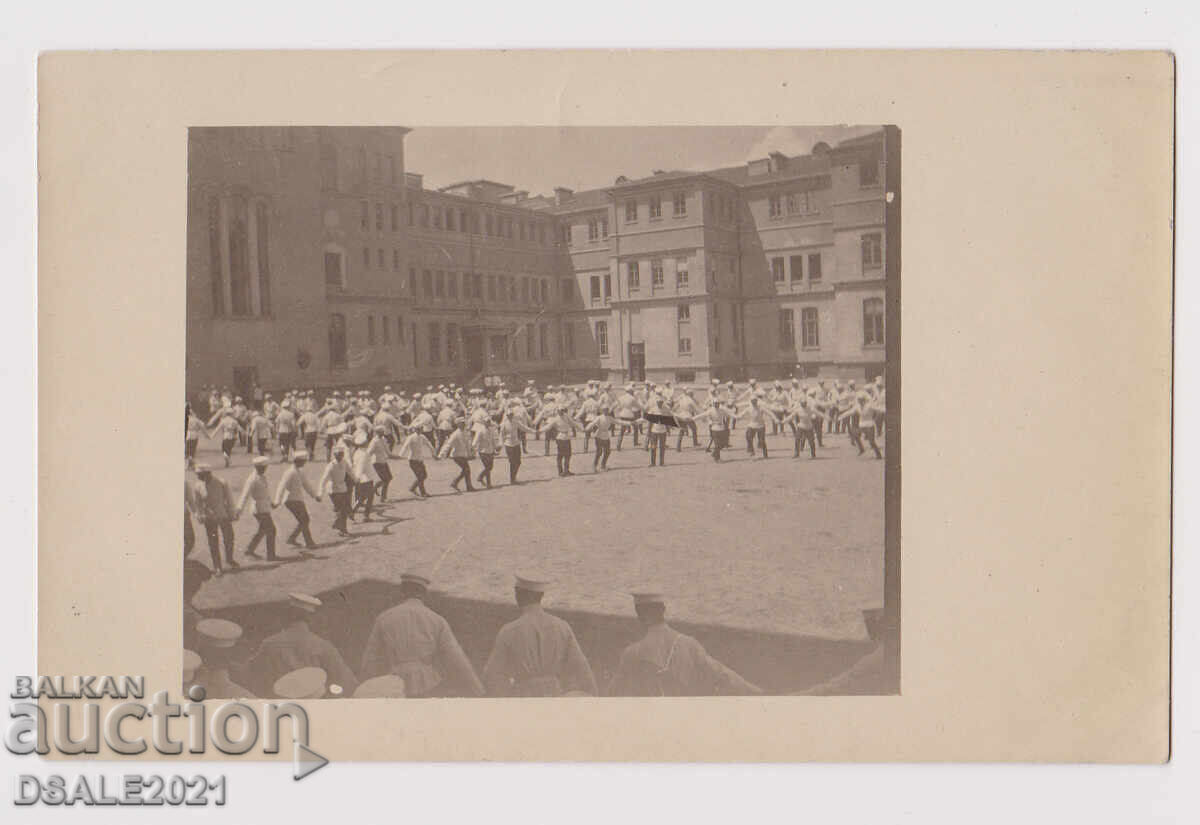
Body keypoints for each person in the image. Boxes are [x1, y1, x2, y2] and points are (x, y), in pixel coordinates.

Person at [607, 591, 762, 696]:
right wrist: (755, 691)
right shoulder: (689, 645)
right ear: (663, 610)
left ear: (639, 614)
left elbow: (613, 693)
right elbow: (722, 674)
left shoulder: (631, 654)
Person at [359, 571, 484, 697]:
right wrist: (477, 689)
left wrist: (362, 685)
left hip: (395, 683)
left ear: (402, 591)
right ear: (424, 594)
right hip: (428, 683)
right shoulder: (436, 620)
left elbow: (370, 658)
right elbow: (456, 657)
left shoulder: (384, 618)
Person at [481, 575, 598, 697]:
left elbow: (491, 675)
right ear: (541, 596)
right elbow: (583, 670)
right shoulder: (562, 627)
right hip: (554, 695)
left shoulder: (509, 631)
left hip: (524, 697)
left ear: (519, 595)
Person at [241, 593, 359, 697]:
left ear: (287, 615)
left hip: (282, 705)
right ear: (311, 618)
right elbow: (348, 683)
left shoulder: (269, 644)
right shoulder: (322, 646)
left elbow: (249, 675)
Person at [191, 464, 237, 575]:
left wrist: (232, 514)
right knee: (213, 542)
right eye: (197, 475)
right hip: (209, 519)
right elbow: (198, 504)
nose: (198, 477)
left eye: (200, 475)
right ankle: (217, 566)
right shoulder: (198, 486)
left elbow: (229, 499)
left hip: (223, 515)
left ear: (208, 473)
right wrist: (200, 516)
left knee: (229, 537)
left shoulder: (221, 482)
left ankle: (229, 559)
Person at [273, 451, 321, 549]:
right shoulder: (290, 473)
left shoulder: (300, 471)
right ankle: (309, 542)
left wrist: (315, 496)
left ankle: (292, 539)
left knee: (304, 520)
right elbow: (281, 486)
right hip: (291, 500)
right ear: (298, 461)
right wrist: (277, 501)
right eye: (303, 461)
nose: (305, 463)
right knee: (304, 520)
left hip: (297, 500)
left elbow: (306, 485)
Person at [237, 456, 278, 560]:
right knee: (271, 530)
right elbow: (245, 495)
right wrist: (239, 510)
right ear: (257, 467)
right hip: (258, 509)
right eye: (262, 467)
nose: (264, 469)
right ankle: (271, 555)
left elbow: (266, 492)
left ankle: (249, 549)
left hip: (264, 507)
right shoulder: (252, 479)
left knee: (263, 529)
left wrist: (271, 503)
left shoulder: (262, 476)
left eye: (265, 467)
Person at [318, 443, 353, 535]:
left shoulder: (344, 462)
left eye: (341, 455)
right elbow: (323, 480)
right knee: (342, 509)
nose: (339, 457)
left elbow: (350, 472)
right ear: (334, 455)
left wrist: (357, 479)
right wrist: (320, 493)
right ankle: (342, 529)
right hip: (333, 490)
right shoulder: (331, 466)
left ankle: (339, 525)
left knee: (343, 509)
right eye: (337, 455)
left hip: (342, 488)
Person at [499, 404, 535, 484]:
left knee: (518, 462)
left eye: (511, 415)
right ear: (506, 416)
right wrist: (500, 445)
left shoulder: (516, 422)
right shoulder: (503, 424)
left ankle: (514, 477)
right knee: (512, 462)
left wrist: (533, 431)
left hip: (516, 443)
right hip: (508, 444)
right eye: (508, 415)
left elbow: (524, 428)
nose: (510, 416)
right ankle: (512, 479)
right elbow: (501, 435)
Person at [396, 427, 435, 498]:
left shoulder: (422, 436)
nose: (419, 430)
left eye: (420, 429)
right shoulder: (411, 437)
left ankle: (412, 488)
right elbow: (405, 446)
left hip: (420, 459)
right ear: (415, 430)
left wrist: (433, 453)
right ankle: (423, 493)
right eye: (418, 429)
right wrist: (400, 455)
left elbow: (429, 444)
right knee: (420, 476)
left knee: (424, 475)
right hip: (413, 460)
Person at [440, 417, 475, 492]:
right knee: (467, 470)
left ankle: (456, 483)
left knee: (466, 470)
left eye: (463, 423)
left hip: (463, 455)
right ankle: (466, 486)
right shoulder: (455, 434)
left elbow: (467, 444)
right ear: (458, 424)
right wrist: (441, 454)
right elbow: (448, 444)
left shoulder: (465, 432)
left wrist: (470, 453)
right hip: (456, 455)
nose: (463, 424)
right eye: (461, 423)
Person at [584, 406, 615, 471]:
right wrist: (587, 428)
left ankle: (603, 465)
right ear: (602, 411)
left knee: (607, 452)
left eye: (607, 410)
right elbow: (592, 423)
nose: (606, 411)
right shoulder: (599, 417)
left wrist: (630, 423)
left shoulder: (610, 418)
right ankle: (594, 466)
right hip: (599, 435)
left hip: (606, 436)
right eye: (604, 410)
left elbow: (619, 422)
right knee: (599, 452)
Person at [367, 425, 394, 502]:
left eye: (383, 432)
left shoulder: (383, 439)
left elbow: (388, 452)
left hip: (383, 461)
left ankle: (375, 488)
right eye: (381, 432)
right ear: (377, 432)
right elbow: (369, 453)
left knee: (389, 478)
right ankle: (383, 497)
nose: (383, 433)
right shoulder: (374, 441)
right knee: (385, 479)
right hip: (376, 462)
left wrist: (397, 456)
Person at [471, 417, 497, 489]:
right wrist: (473, 448)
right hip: (483, 451)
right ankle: (488, 483)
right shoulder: (480, 430)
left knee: (490, 467)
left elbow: (493, 440)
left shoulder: (491, 430)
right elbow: (476, 440)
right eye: (486, 422)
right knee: (487, 467)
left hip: (490, 451)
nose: (488, 423)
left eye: (489, 422)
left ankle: (480, 477)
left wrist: (495, 448)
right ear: (484, 423)